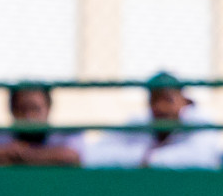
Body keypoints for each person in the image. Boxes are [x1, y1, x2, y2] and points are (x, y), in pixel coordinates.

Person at [83, 72, 221, 170]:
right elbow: (96, 153)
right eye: (154, 100)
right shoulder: (140, 122)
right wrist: (141, 156)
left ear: (184, 101)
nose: (160, 107)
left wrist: (151, 159)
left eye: (168, 100)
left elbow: (203, 158)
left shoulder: (200, 121)